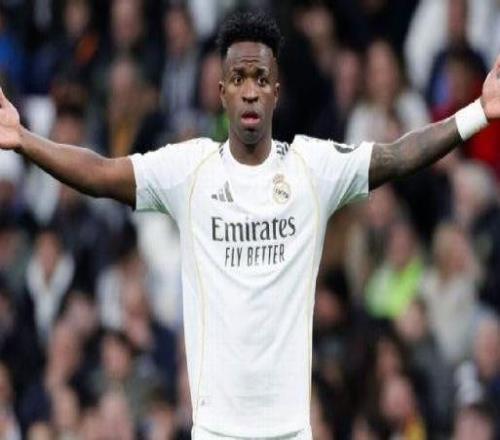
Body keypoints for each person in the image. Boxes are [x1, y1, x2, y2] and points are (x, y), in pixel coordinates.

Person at [0, 10, 499, 440]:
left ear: (276, 92)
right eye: (238, 78)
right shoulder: (189, 171)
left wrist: (478, 112)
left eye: (261, 78)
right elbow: (102, 173)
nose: (250, 91)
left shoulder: (311, 168)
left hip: (290, 430)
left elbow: (397, 156)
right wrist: (25, 139)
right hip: (216, 431)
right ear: (221, 92)